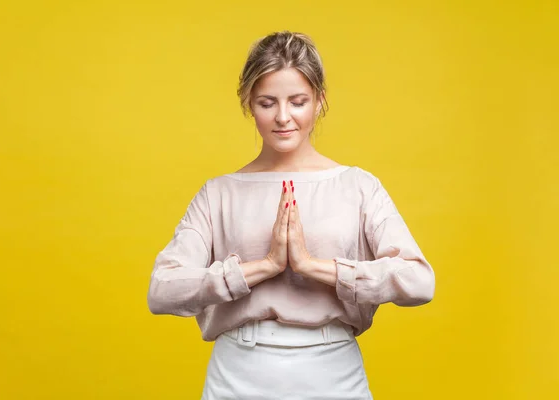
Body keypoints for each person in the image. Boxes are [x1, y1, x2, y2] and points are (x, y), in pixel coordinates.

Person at [147, 30, 435, 400]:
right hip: (238, 374)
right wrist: (263, 267)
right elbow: (162, 290)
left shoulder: (358, 186)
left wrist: (312, 266)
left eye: (297, 101)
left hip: (333, 373)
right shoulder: (219, 193)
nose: (283, 117)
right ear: (249, 104)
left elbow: (419, 282)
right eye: (267, 103)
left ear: (319, 101)